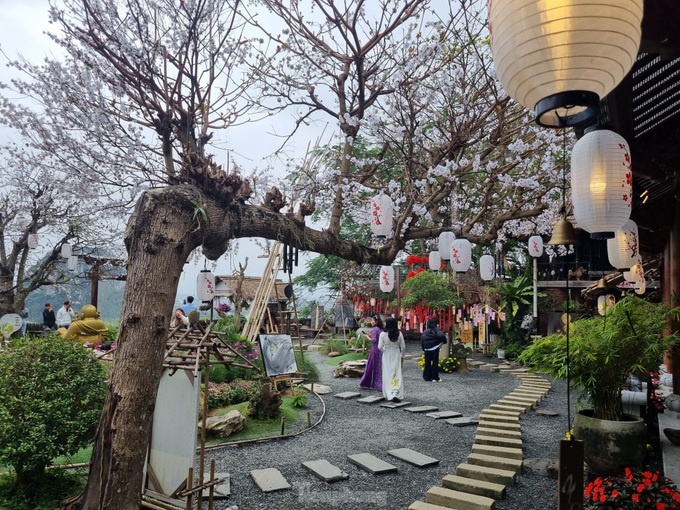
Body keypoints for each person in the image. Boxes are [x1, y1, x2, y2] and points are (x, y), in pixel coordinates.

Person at [378, 317, 405, 402]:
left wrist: (385, 349)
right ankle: (395, 392)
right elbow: (403, 347)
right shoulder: (399, 333)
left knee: (387, 372)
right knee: (396, 372)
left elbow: (379, 346)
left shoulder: (383, 334)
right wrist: (402, 356)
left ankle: (389, 392)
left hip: (387, 354)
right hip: (396, 353)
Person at [359, 314, 384, 391]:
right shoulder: (381, 329)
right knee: (379, 367)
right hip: (381, 350)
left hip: (375, 349)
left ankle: (367, 382)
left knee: (371, 365)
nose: (371, 322)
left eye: (372, 320)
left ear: (376, 322)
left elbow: (373, 341)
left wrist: (367, 337)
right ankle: (379, 383)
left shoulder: (374, 329)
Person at [421, 316, 447, 382]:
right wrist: (444, 341)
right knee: (435, 363)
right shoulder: (436, 329)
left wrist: (424, 348)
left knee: (427, 363)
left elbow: (422, 340)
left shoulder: (426, 331)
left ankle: (427, 377)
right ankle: (435, 377)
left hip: (426, 349)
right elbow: (441, 335)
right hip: (434, 348)